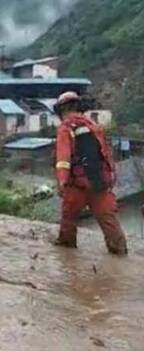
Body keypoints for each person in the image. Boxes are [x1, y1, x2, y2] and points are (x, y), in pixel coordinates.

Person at [54, 91, 128, 255]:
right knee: (110, 223)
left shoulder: (65, 129)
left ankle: (67, 260)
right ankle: (120, 254)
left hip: (76, 186)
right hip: (100, 184)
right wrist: (110, 179)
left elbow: (63, 159)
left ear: (61, 111)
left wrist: (61, 182)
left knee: (68, 223)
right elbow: (106, 156)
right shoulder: (94, 127)